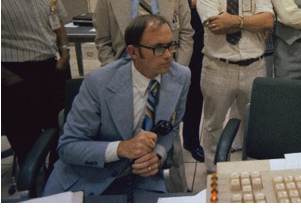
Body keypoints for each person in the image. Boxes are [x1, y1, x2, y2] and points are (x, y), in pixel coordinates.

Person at [43, 15, 191, 197]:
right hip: (87, 177)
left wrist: (158, 154)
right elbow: (68, 147)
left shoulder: (180, 77)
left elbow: (172, 128)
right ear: (133, 52)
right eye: (159, 48)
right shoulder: (98, 83)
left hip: (143, 179)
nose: (169, 55)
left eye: (171, 45)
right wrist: (121, 148)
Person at [94, 0, 192, 192]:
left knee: (167, 135)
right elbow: (103, 41)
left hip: (166, 77)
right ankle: (123, 184)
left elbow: (187, 34)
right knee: (126, 135)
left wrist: (175, 70)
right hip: (124, 80)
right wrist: (113, 74)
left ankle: (173, 190)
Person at [196, 0, 274, 173]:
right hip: (218, 67)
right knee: (213, 124)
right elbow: (215, 25)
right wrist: (251, 21)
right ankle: (214, 170)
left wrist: (235, 19)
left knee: (251, 124)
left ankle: (247, 169)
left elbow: (268, 20)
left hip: (254, 67)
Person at [1, 0, 71, 169]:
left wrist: (64, 51)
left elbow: (57, 19)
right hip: (14, 75)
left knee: (63, 134)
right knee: (28, 145)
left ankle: (58, 186)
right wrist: (7, 78)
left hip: (53, 68)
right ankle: (34, 191)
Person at [155, 0, 215, 164]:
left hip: (197, 41)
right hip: (164, 40)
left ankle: (191, 140)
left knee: (194, 93)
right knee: (163, 91)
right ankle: (164, 141)